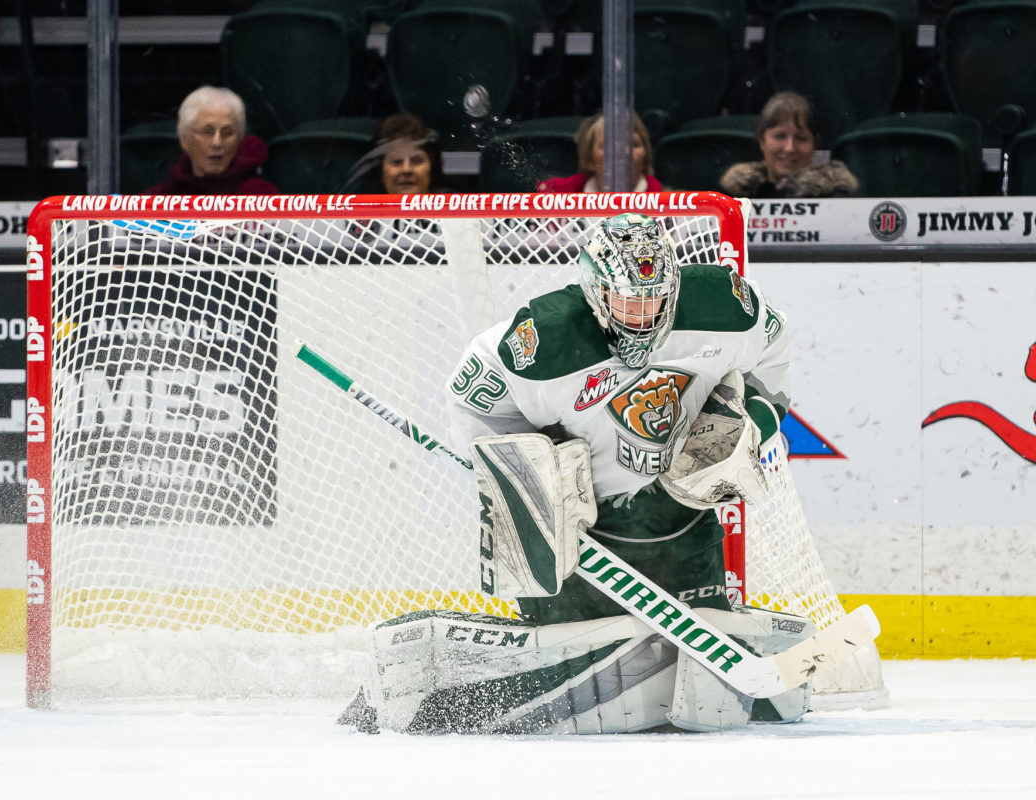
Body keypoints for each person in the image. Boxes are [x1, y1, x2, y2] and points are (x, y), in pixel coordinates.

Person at [341, 213, 812, 735]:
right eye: (627, 303)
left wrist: (750, 423)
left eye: (654, 301)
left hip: (679, 509)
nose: (641, 317)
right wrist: (528, 478)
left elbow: (775, 353)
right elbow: (473, 401)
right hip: (578, 525)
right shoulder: (544, 339)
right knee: (563, 659)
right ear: (595, 289)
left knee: (702, 656)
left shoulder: (725, 308)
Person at [720, 91, 858, 198]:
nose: (790, 148)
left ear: (815, 144)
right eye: (780, 136)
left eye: (801, 138)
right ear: (762, 141)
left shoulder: (839, 197)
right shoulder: (733, 196)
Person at [148, 86, 277, 195]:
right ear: (184, 139)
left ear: (239, 140)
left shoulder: (261, 198)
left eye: (228, 133)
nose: (217, 143)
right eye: (207, 132)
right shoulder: (156, 201)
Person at [537, 111, 662, 193]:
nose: (624, 153)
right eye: (608, 145)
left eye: (634, 144)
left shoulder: (670, 207)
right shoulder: (554, 195)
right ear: (589, 159)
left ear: (646, 156)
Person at [365, 112, 444, 194]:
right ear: (380, 173)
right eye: (397, 162)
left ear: (432, 169)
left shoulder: (453, 204)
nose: (406, 169)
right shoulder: (359, 205)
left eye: (417, 161)